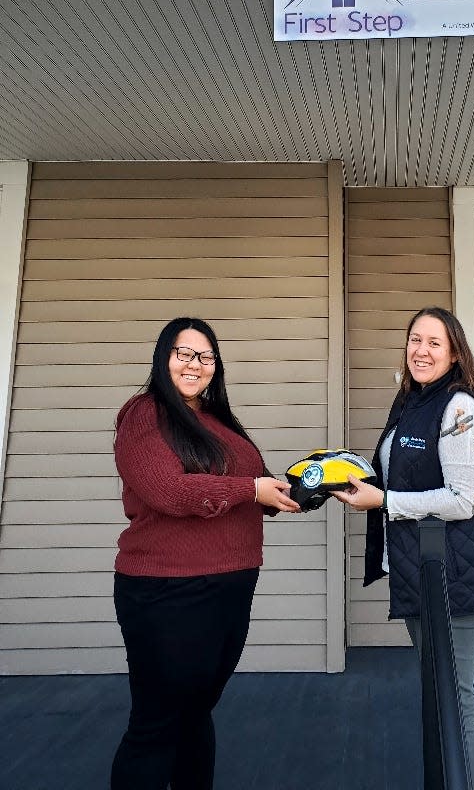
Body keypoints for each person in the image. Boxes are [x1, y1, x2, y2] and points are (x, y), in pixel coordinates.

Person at [110, 316, 300, 790]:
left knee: (195, 714)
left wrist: (299, 486)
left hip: (229, 590)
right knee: (157, 724)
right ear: (163, 358)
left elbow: (244, 490)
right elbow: (168, 491)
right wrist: (250, 489)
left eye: (206, 356)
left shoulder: (218, 423)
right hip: (168, 592)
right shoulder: (143, 413)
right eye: (184, 353)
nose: (195, 363)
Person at [334, 307, 474, 790]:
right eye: (415, 340)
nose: (421, 351)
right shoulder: (412, 403)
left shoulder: (459, 409)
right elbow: (405, 474)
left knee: (455, 699)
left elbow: (462, 500)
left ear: (454, 353)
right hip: (420, 571)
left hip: (453, 576)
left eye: (434, 342)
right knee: (438, 695)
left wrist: (383, 501)